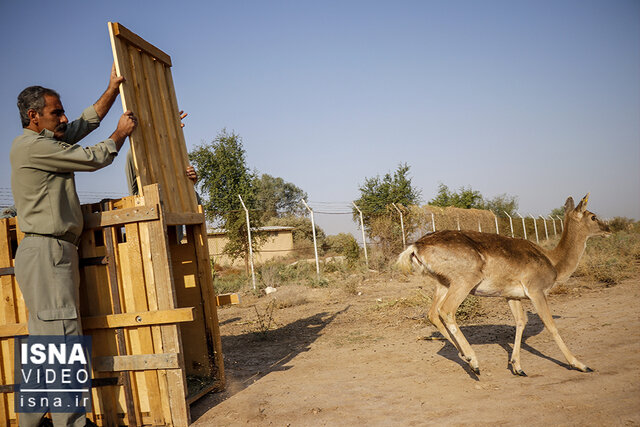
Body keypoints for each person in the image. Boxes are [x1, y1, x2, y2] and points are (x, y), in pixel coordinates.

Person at [10, 65, 137, 427]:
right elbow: (90, 157)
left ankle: (31, 423)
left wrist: (112, 89)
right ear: (33, 117)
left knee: (45, 347)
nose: (63, 118)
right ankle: (72, 424)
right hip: (49, 254)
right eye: (55, 113)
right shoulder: (33, 148)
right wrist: (120, 135)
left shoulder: (43, 141)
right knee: (62, 342)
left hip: (42, 253)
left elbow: (81, 124)